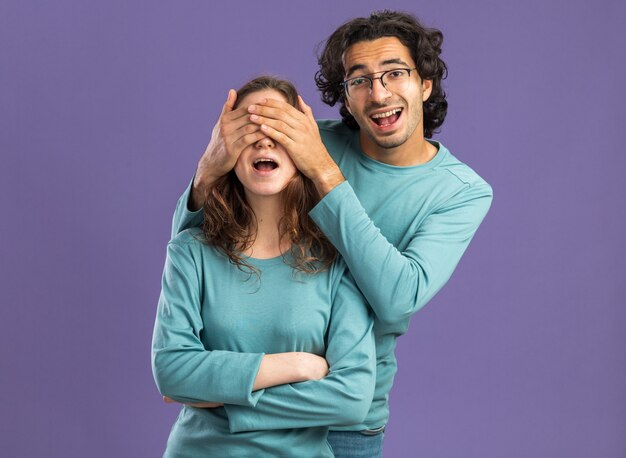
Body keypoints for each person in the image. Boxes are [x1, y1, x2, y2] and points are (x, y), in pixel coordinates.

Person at [173, 10, 493, 458]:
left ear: (425, 83)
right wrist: (208, 169)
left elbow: (397, 298)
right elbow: (196, 245)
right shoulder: (299, 141)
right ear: (345, 95)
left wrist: (322, 169)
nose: (377, 93)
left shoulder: (461, 192)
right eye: (358, 80)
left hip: (343, 417)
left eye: (395, 73)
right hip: (242, 393)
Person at [152, 76, 376, 457]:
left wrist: (224, 398)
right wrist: (298, 366)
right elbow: (171, 371)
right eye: (249, 129)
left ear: (303, 149)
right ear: (226, 150)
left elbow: (351, 398)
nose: (264, 139)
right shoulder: (190, 251)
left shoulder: (336, 258)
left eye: (279, 127)